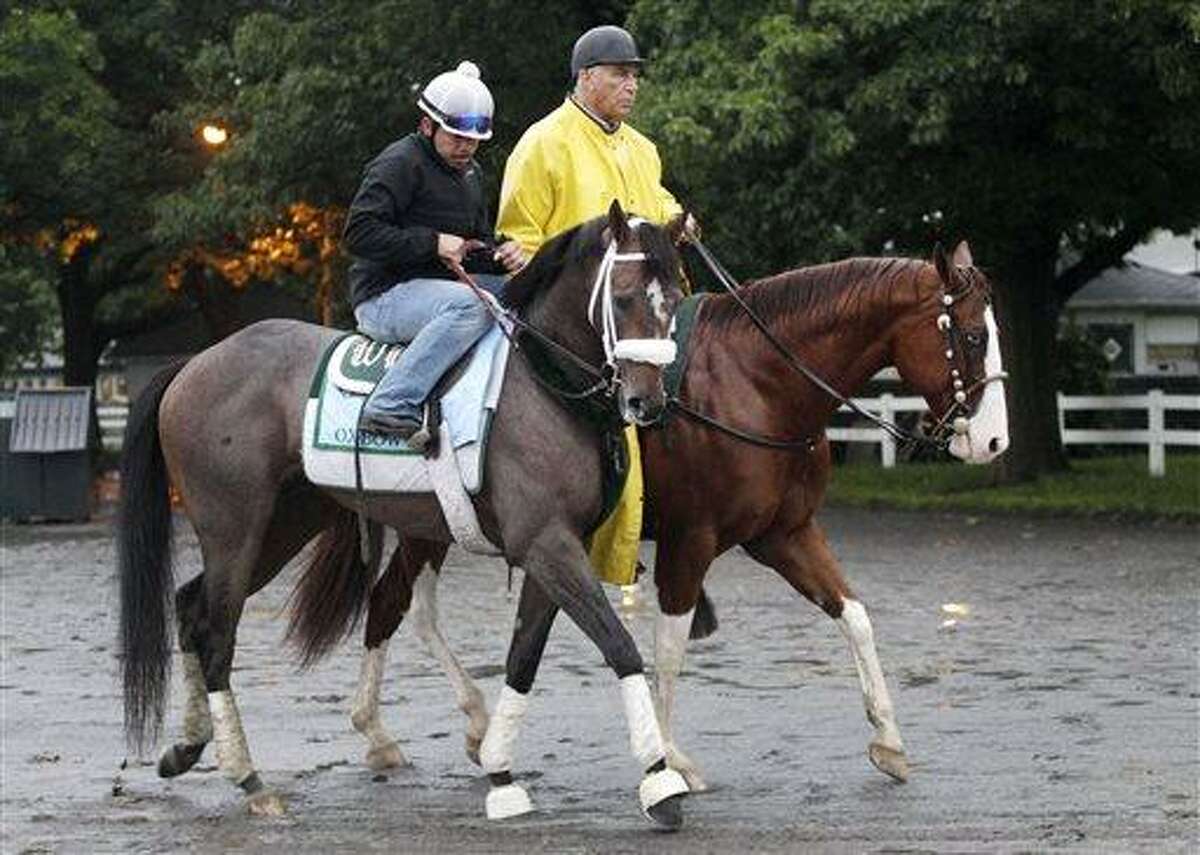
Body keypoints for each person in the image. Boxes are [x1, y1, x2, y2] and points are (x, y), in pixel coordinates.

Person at [496, 25, 698, 585]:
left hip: (637, 317)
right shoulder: (543, 142)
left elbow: (656, 207)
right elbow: (520, 236)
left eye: (635, 76)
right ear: (586, 78)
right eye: (619, 75)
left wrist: (678, 220)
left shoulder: (643, 148)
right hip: (569, 330)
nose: (631, 86)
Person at [344, 60, 525, 446]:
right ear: (427, 126)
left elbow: (471, 247)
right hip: (382, 296)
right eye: (457, 137)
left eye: (474, 140)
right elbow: (358, 234)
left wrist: (501, 254)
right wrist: (431, 242)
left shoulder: (471, 173)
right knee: (473, 307)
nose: (467, 148)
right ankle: (391, 403)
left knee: (518, 296)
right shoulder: (398, 163)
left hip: (435, 294)